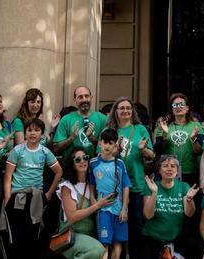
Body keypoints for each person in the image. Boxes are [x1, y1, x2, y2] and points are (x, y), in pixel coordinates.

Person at [2, 117, 62, 254]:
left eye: (36, 130)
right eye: (29, 130)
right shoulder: (17, 151)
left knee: (35, 235)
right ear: (25, 133)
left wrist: (49, 193)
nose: (33, 133)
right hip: (17, 197)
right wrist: (7, 198)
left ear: (42, 133)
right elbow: (8, 176)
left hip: (36, 198)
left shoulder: (45, 152)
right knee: (17, 236)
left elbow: (59, 172)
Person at [107, 97, 154, 258]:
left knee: (137, 225)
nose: (126, 111)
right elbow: (103, 156)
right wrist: (116, 151)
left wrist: (143, 150)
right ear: (116, 112)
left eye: (128, 108)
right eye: (122, 108)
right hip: (115, 186)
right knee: (117, 224)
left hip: (136, 184)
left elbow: (152, 156)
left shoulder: (140, 129)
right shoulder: (109, 131)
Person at [56, 146, 115, 259]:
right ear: (72, 165)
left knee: (106, 250)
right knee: (98, 250)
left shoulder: (94, 184)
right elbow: (72, 216)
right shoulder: (67, 187)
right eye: (78, 159)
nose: (82, 161)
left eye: (85, 158)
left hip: (92, 234)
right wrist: (97, 205)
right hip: (72, 236)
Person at [142, 154, 198, 256]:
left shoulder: (184, 187)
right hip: (153, 239)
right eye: (165, 166)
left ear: (177, 171)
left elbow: (189, 213)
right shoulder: (151, 186)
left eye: (173, 166)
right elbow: (148, 215)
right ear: (159, 170)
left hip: (176, 241)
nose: (169, 169)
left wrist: (189, 199)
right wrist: (154, 193)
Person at [91, 128, 131, 259]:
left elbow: (126, 187)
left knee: (118, 242)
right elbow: (91, 185)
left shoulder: (120, 164)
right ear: (100, 143)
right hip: (103, 210)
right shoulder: (93, 163)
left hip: (119, 209)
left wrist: (124, 208)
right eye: (105, 142)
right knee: (105, 243)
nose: (107, 146)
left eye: (111, 143)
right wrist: (94, 204)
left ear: (115, 146)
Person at [154, 93, 204, 187]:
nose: (179, 107)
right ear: (172, 109)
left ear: (187, 108)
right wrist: (164, 134)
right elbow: (158, 150)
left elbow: (199, 151)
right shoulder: (164, 125)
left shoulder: (196, 125)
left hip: (189, 172)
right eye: (175, 105)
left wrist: (193, 139)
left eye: (181, 104)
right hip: (167, 171)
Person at [53, 86, 109, 158]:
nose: (84, 100)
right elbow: (56, 149)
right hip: (71, 166)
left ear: (91, 98)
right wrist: (72, 138)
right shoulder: (66, 119)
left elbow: (109, 147)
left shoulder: (102, 119)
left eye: (86, 96)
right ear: (75, 100)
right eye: (80, 97)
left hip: (96, 166)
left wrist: (92, 138)